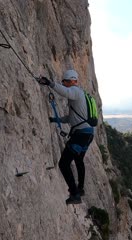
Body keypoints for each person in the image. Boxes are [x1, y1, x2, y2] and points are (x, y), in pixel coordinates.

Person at [38, 70, 95, 205]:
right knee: (78, 160)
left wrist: (50, 83)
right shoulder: (83, 96)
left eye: (64, 82)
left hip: (80, 134)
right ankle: (80, 189)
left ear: (70, 81)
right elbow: (71, 118)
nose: (63, 84)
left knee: (64, 163)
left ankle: (75, 194)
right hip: (88, 133)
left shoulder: (75, 91)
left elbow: (66, 92)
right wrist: (55, 119)